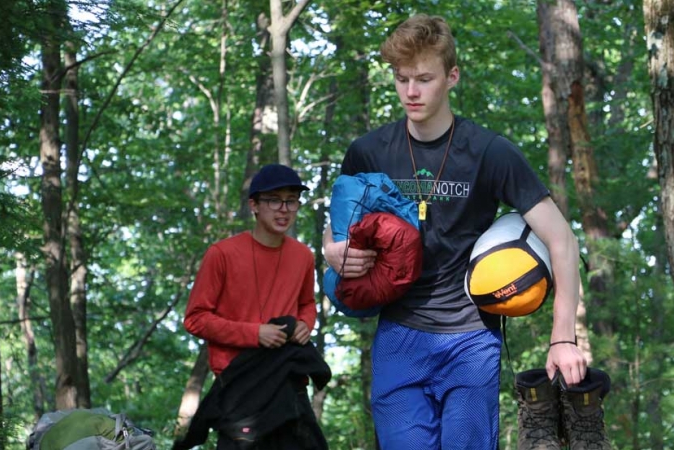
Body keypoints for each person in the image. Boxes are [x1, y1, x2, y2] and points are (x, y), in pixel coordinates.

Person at [322, 14, 587, 450]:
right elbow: (337, 234)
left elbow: (562, 239)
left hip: (471, 337)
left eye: (424, 78)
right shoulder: (367, 152)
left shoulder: (489, 152)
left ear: (452, 77)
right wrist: (332, 252)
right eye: (402, 79)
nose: (411, 91)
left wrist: (563, 338)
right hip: (398, 335)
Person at [184, 163, 317, 376]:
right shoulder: (221, 253)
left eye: (291, 201)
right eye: (274, 200)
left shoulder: (303, 256)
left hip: (287, 372)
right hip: (236, 376)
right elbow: (195, 319)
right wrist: (254, 333)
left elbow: (307, 303)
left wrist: (305, 323)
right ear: (254, 205)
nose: (284, 209)